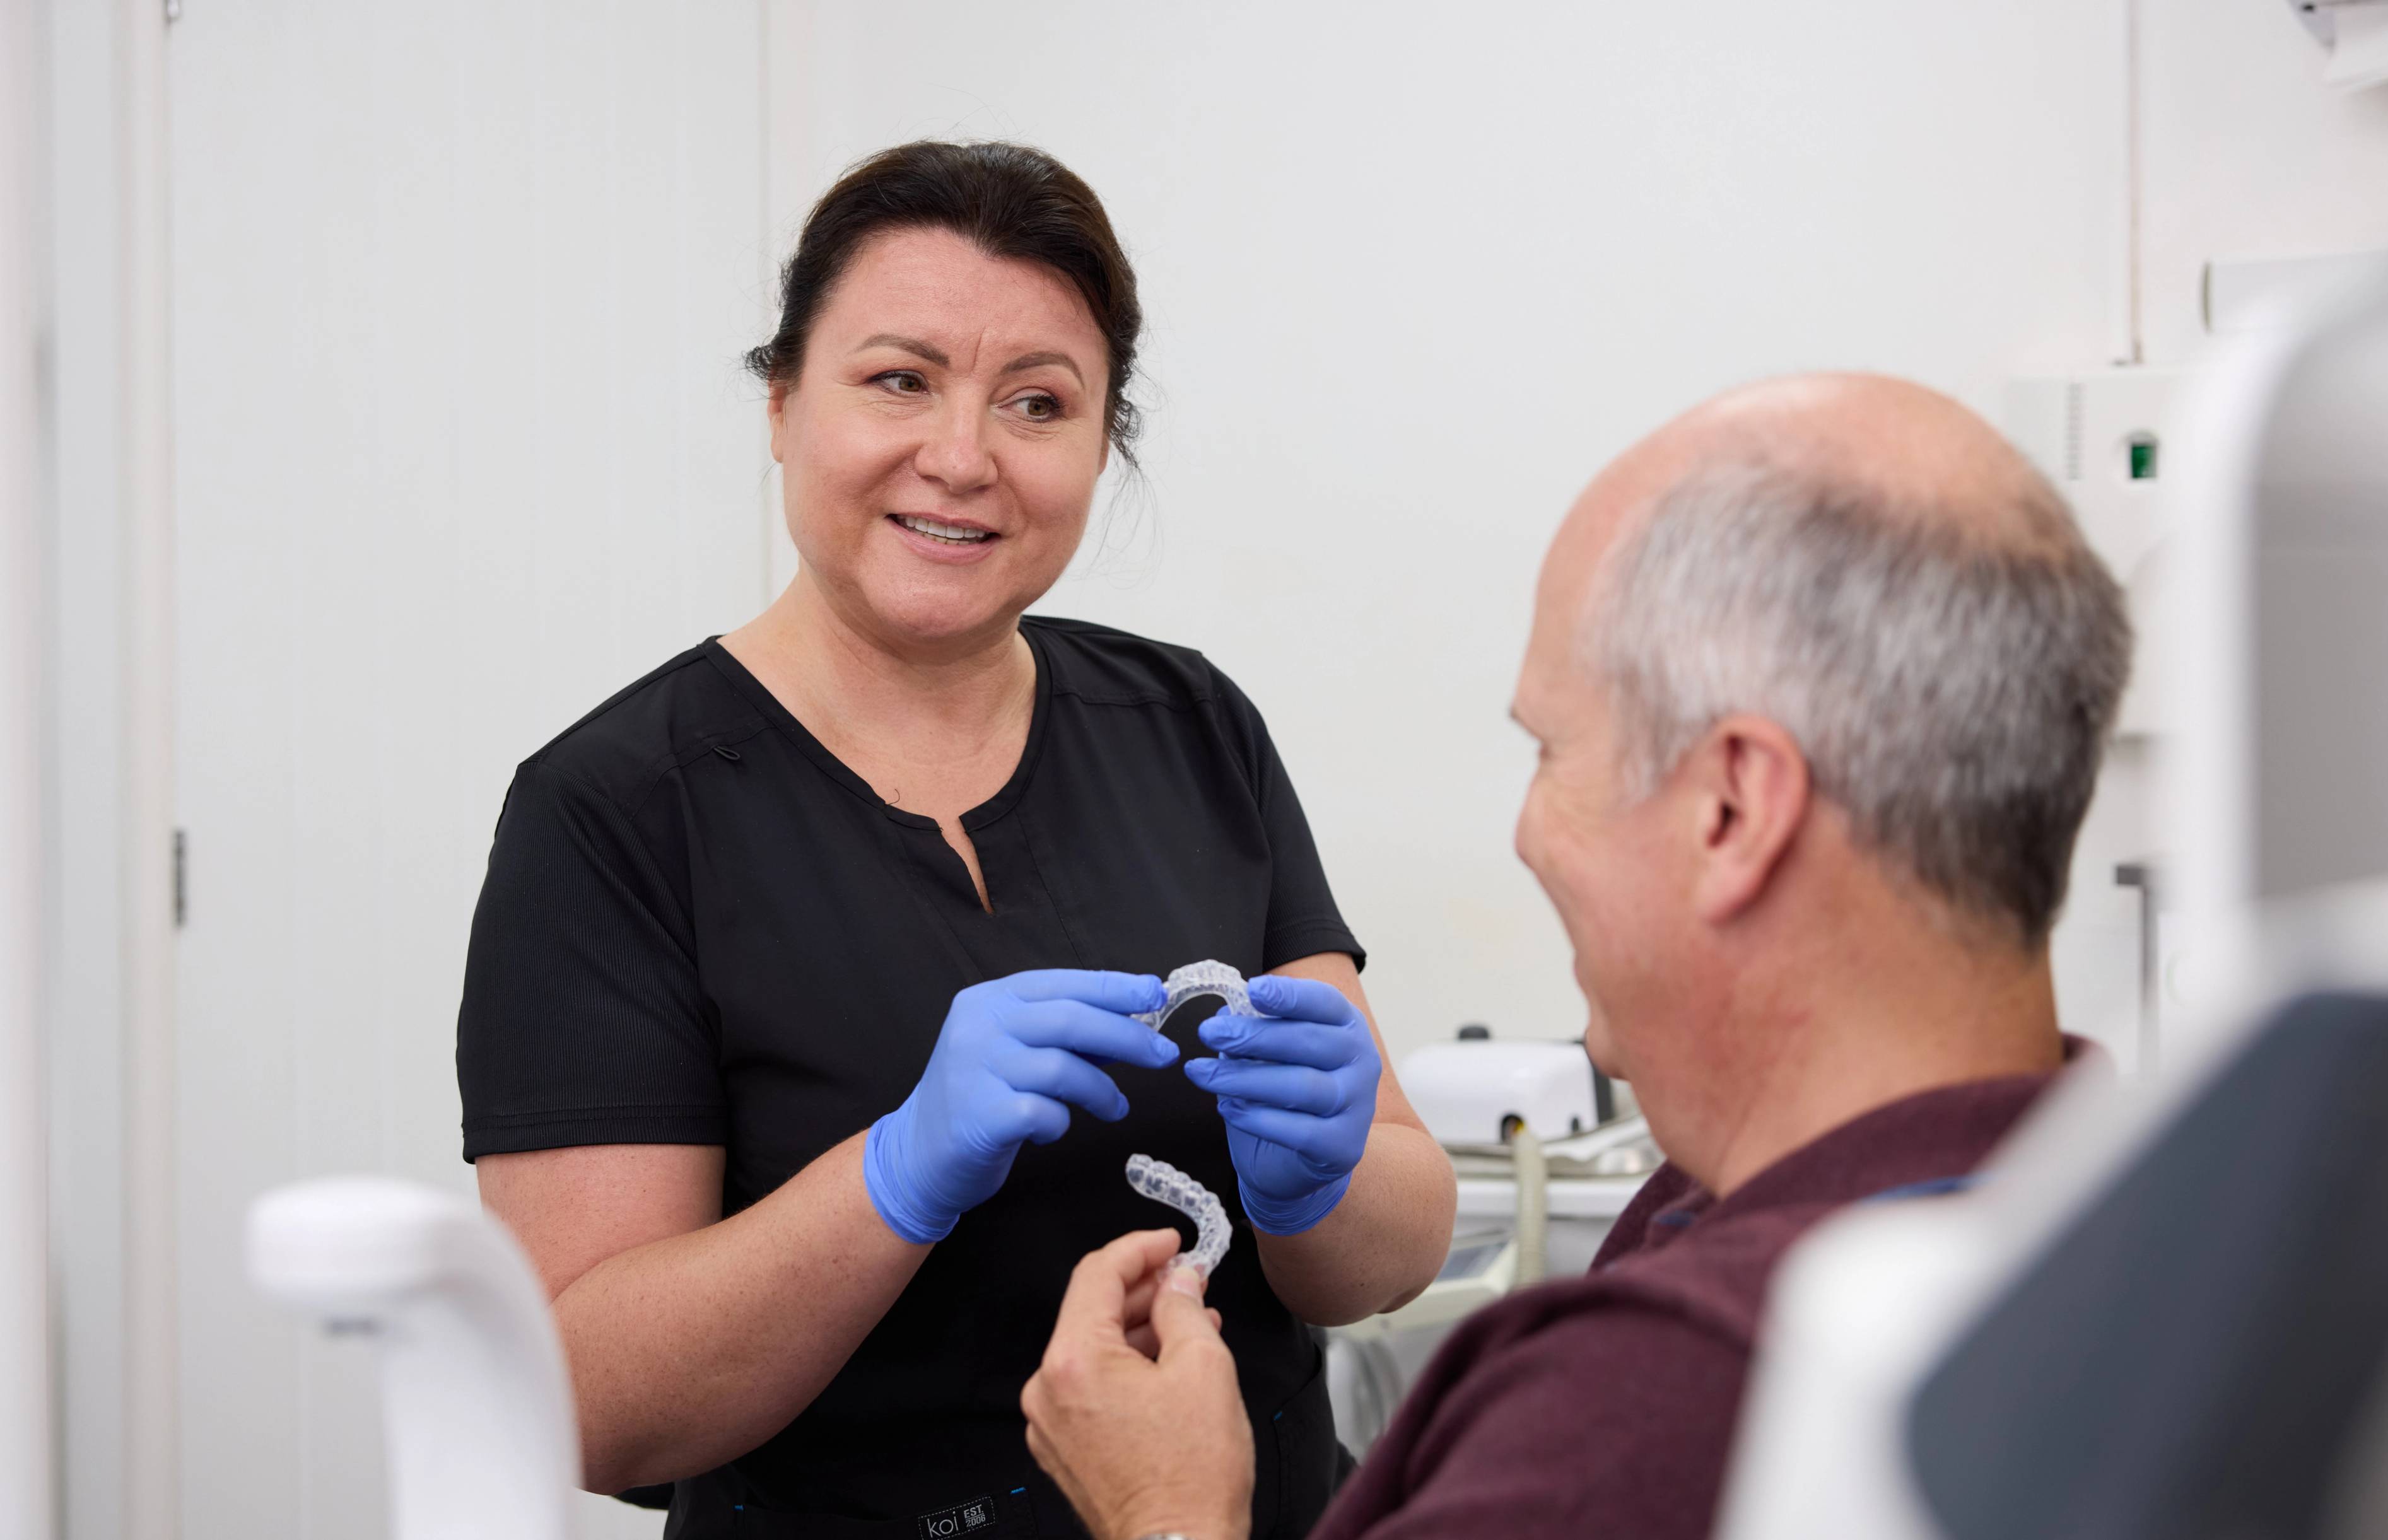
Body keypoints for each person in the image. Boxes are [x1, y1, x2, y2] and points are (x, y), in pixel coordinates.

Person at [454, 140, 1456, 1540]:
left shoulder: (1192, 725)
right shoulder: (614, 812)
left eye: (1038, 403)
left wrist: (1326, 1185)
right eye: (899, 380)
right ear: (782, 401)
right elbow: (578, 1401)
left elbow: (1390, 1251)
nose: (963, 458)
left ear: (1102, 444)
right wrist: (890, 1176)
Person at [1017, 373, 2133, 1540]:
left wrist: (1165, 1511)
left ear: (1733, 810)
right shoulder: (2127, 1215)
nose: (1527, 831)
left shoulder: (1640, 1414)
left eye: (1552, 751)